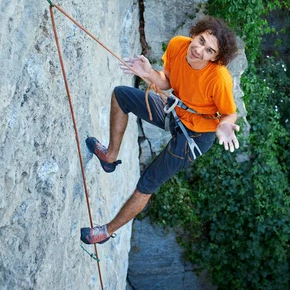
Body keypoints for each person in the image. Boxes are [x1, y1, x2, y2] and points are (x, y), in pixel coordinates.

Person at [80, 16, 240, 245]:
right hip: (177, 113)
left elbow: (229, 113)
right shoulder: (178, 45)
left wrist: (224, 125)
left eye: (209, 50)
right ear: (195, 33)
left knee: (146, 184)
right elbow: (166, 82)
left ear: (216, 58)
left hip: (196, 137)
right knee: (121, 95)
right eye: (201, 40)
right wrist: (148, 73)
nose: (199, 49)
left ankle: (105, 232)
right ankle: (110, 157)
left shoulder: (218, 78)